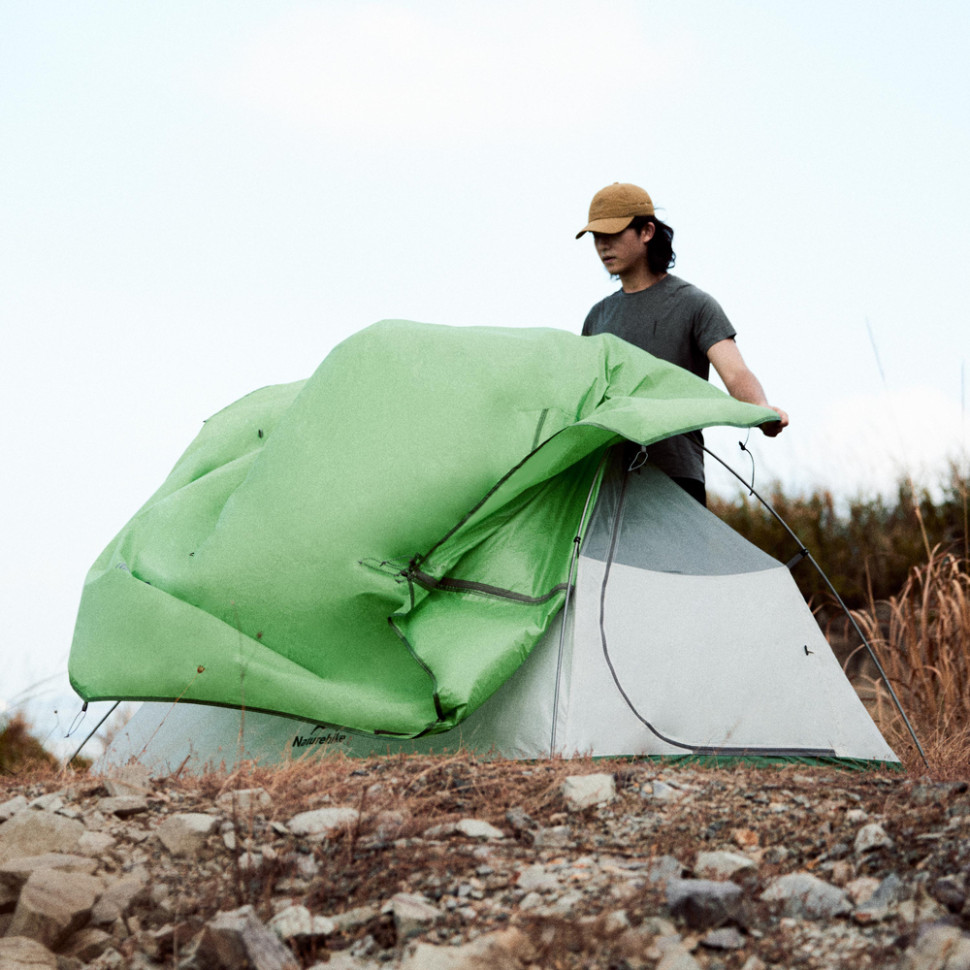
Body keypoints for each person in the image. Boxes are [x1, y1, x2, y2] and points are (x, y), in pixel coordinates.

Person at [578, 182, 788, 505]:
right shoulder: (597, 317)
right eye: (596, 236)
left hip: (677, 481)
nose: (603, 245)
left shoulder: (694, 304)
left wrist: (760, 409)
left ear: (646, 232)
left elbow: (735, 373)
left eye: (613, 233)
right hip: (609, 487)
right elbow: (583, 398)